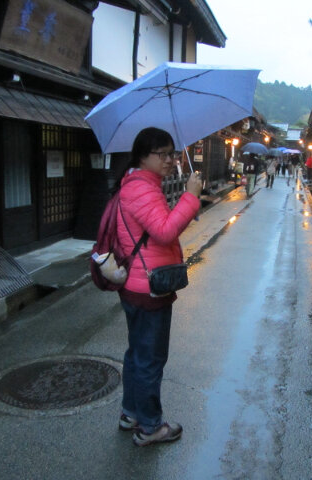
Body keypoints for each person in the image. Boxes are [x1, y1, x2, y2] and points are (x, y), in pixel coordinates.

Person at [115, 127, 202, 446]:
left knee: (138, 353)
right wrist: (191, 196)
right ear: (142, 156)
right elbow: (165, 232)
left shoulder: (141, 184)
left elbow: (156, 227)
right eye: (162, 154)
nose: (170, 160)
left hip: (138, 284)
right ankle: (150, 427)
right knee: (150, 358)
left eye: (172, 153)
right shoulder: (141, 188)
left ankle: (130, 413)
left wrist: (186, 202)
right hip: (148, 287)